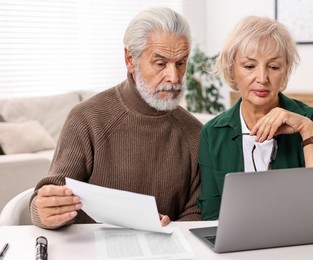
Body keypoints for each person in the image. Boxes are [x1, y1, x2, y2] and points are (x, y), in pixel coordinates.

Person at [30, 7, 202, 229]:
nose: (174, 76)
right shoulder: (86, 119)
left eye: (181, 63)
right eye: (160, 63)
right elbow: (49, 199)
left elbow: (196, 213)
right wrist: (42, 211)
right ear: (130, 59)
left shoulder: (195, 132)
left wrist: (169, 230)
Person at [197, 16, 313, 220]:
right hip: (238, 246)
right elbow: (211, 214)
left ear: (285, 71)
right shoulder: (213, 132)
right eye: (249, 66)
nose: (262, 78)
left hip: (304, 240)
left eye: (274, 67)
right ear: (232, 69)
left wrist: (307, 130)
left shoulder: (312, 119)